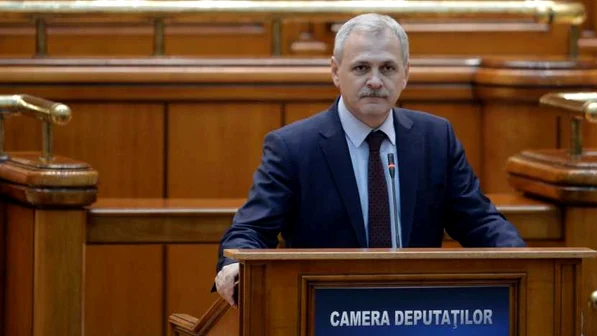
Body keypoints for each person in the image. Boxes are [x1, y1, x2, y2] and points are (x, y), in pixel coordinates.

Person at [214, 13, 525, 306]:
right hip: (326, 310)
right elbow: (251, 229)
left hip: (417, 310)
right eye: (361, 68)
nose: (375, 81)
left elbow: (479, 221)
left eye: (388, 68)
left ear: (406, 74)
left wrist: (524, 261)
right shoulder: (294, 147)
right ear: (336, 72)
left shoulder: (435, 138)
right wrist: (235, 265)